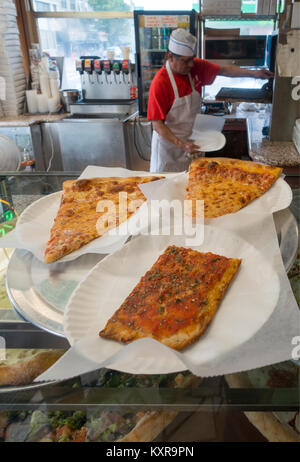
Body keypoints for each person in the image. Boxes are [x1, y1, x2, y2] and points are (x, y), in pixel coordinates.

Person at [147, 28, 274, 172]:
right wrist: (181, 144)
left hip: (192, 144)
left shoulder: (194, 67)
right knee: (166, 190)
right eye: (186, 61)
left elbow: (225, 70)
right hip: (168, 151)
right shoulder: (160, 83)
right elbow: (157, 124)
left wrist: (255, 74)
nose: (191, 65)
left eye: (192, 59)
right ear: (170, 57)